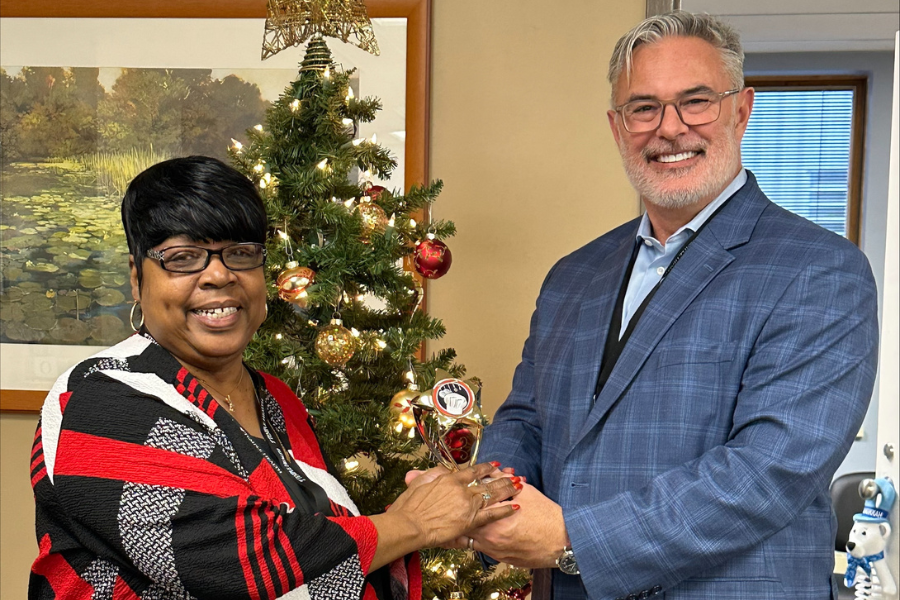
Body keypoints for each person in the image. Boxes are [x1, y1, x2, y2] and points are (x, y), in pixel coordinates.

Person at [467, 11, 879, 600]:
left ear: (741, 109)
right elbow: (525, 419)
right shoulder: (572, 276)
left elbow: (766, 473)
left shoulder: (821, 270)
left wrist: (570, 538)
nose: (670, 129)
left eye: (696, 101)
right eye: (644, 107)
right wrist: (484, 502)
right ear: (617, 126)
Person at [29, 156, 522, 599]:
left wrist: (438, 514)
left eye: (240, 253)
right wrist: (414, 523)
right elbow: (240, 566)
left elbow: (321, 538)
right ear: (138, 279)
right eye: (182, 257)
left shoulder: (277, 400)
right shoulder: (101, 397)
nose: (219, 275)